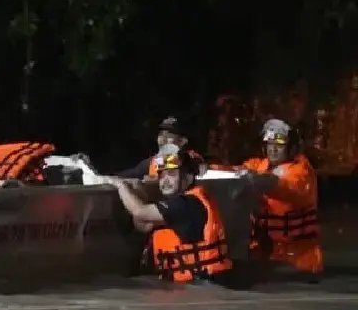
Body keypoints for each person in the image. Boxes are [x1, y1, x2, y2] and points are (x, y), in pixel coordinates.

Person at [104, 145, 231, 283]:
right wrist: (139, 192)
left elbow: (140, 212)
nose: (165, 180)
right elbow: (144, 225)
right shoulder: (179, 204)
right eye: (161, 175)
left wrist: (120, 185)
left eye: (171, 174)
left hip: (200, 284)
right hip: (187, 284)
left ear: (188, 177)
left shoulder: (187, 204)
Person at [237, 118, 322, 277]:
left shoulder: (301, 170)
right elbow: (232, 172)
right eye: (269, 144)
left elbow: (289, 188)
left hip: (297, 260)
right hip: (264, 254)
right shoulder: (258, 166)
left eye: (279, 145)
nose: (273, 150)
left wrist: (263, 181)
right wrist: (202, 168)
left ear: (290, 148)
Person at [117, 116, 206, 179]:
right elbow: (135, 172)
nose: (162, 139)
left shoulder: (190, 158)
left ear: (182, 141)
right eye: (161, 135)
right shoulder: (156, 161)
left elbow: (193, 164)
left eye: (168, 136)